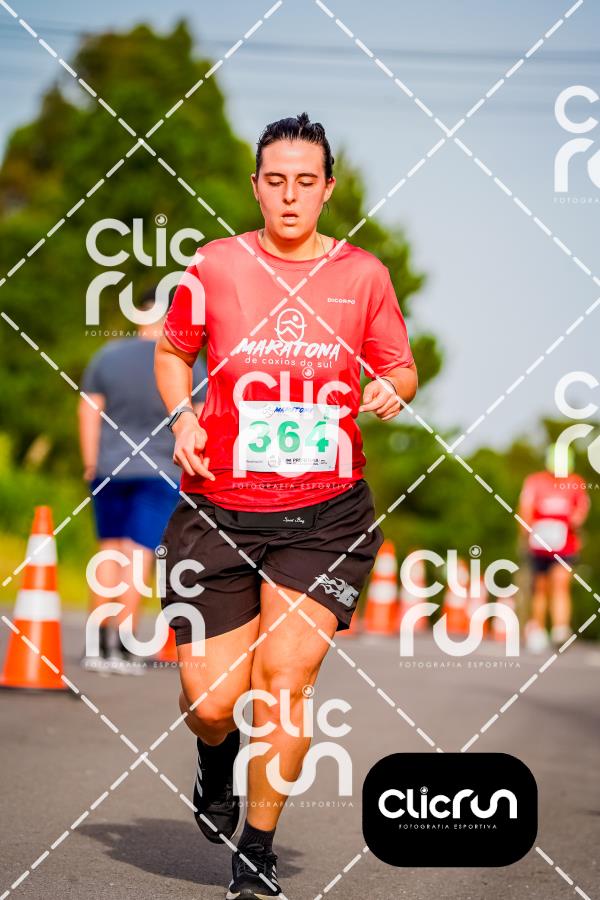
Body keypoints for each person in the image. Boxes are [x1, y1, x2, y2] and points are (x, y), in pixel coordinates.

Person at [155, 112, 418, 899]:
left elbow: (401, 366)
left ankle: (258, 851)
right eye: (276, 181)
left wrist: (390, 388)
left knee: (286, 681)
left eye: (306, 181)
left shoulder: (362, 275)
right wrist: (185, 418)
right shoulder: (215, 265)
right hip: (219, 507)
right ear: (257, 187)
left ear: (328, 189)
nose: (291, 195)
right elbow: (173, 351)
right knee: (212, 702)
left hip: (325, 513)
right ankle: (214, 757)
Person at [78, 286, 207, 674]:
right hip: (160, 471)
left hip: (109, 468)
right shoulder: (186, 364)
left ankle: (97, 641)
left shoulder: (107, 356)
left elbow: (88, 411)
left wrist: (91, 463)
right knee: (139, 553)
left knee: (109, 548)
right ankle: (123, 641)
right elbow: (201, 416)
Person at [518, 443, 589, 653]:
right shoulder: (535, 481)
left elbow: (581, 510)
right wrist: (526, 533)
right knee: (539, 587)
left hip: (564, 544)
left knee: (561, 583)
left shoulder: (575, 483)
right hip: (539, 544)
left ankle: (560, 629)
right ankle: (538, 630)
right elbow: (525, 509)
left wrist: (573, 521)